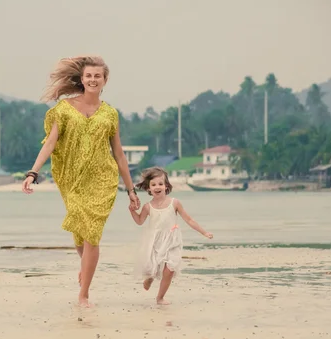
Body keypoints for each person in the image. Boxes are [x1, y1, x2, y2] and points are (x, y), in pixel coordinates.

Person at [22, 55, 140, 307]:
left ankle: (83, 293)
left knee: (92, 234)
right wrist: (33, 172)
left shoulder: (110, 114)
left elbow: (118, 153)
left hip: (102, 179)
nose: (93, 79)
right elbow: (51, 143)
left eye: (98, 76)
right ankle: (85, 266)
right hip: (72, 178)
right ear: (82, 79)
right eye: (89, 76)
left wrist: (130, 189)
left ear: (105, 80)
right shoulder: (64, 110)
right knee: (80, 230)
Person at [129, 167, 213, 305]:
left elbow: (189, 220)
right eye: (153, 184)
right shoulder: (147, 207)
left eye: (160, 184)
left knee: (169, 270)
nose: (157, 187)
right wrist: (132, 211)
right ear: (149, 188)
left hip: (173, 240)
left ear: (166, 186)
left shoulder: (174, 203)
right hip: (155, 241)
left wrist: (204, 232)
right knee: (152, 269)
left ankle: (160, 297)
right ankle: (149, 278)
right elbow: (139, 221)